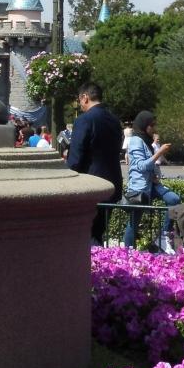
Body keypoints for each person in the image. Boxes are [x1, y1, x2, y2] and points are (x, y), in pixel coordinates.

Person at [67, 82, 124, 246]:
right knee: (98, 233)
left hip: (90, 186)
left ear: (85, 97)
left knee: (86, 237)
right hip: (112, 186)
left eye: (80, 100)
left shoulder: (84, 120)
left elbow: (75, 159)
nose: (80, 104)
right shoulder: (114, 120)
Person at [124, 111, 181, 253]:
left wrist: (154, 175)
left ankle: (163, 236)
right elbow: (141, 166)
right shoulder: (136, 140)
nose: (154, 128)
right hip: (140, 188)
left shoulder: (146, 140)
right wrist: (160, 152)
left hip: (153, 184)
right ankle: (127, 254)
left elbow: (149, 165)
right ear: (144, 125)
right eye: (151, 125)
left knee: (173, 199)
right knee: (134, 223)